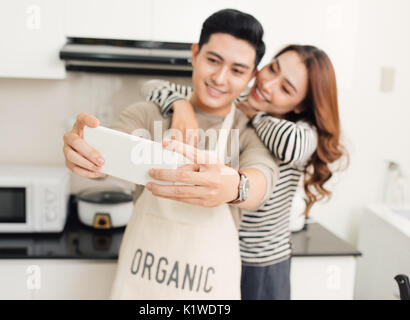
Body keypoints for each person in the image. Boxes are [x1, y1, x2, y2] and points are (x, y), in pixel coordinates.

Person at [62, 9, 279, 299]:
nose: (220, 78)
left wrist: (236, 185)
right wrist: (85, 150)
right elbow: (106, 155)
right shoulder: (149, 114)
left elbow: (262, 183)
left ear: (251, 76)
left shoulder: (250, 132)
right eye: (213, 60)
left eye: (237, 70)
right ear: (195, 54)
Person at [143, 44, 347, 299]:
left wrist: (251, 112)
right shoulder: (237, 101)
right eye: (272, 69)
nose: (268, 85)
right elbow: (151, 87)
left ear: (300, 106)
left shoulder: (303, 133)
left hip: (260, 265)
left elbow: (290, 143)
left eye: (285, 88)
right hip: (215, 253)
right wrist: (181, 105)